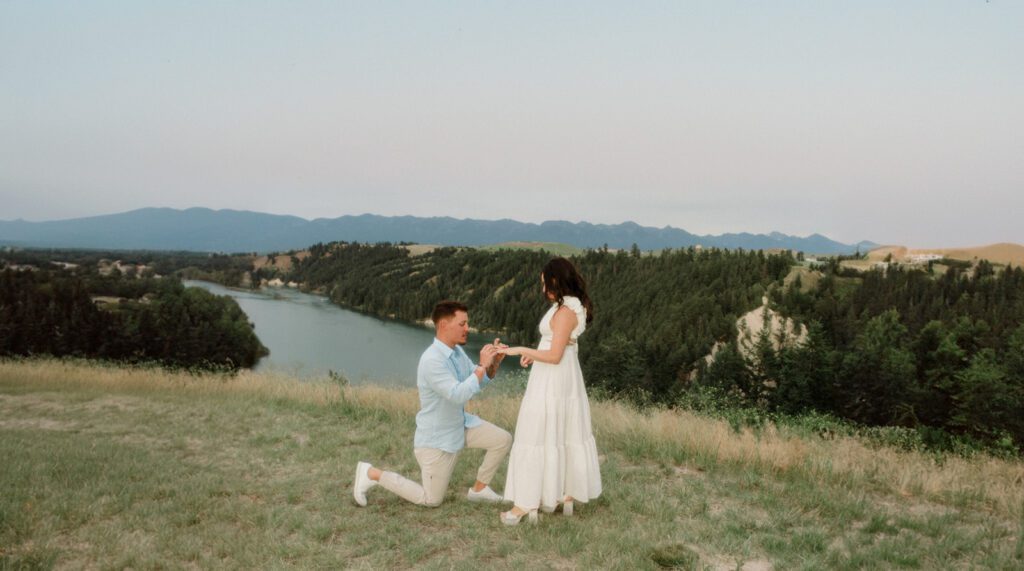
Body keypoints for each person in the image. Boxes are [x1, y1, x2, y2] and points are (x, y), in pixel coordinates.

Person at [352, 300, 513, 508]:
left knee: (503, 439)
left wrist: (494, 364)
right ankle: (371, 473)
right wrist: (482, 365)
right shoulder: (432, 360)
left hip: (459, 425)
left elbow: (476, 381)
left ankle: (479, 490)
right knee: (431, 500)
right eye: (462, 324)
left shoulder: (455, 352)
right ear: (444, 325)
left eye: (467, 324)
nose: (467, 329)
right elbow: (458, 395)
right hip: (436, 441)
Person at [497, 257, 602, 525]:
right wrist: (535, 355)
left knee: (538, 433)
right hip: (558, 374)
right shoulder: (567, 306)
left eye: (544, 281)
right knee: (560, 431)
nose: (542, 286)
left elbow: (555, 355)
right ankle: (563, 495)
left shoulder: (566, 311)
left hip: (553, 379)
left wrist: (519, 350)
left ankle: (525, 504)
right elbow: (557, 345)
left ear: (555, 281)